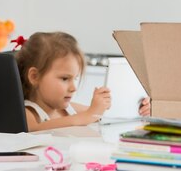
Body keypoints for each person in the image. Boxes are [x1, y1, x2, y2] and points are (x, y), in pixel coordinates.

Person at [15, 32, 151, 131]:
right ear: (34, 77)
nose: (73, 88)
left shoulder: (68, 109)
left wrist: (140, 109)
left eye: (75, 78)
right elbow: (37, 130)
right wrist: (89, 114)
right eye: (64, 79)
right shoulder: (27, 113)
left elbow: (102, 115)